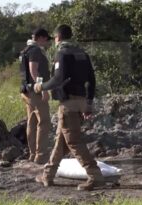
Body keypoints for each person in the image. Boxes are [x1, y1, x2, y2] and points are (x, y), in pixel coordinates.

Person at [33, 24, 104, 191]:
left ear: (57, 37)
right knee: (60, 141)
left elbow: (58, 79)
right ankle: (47, 175)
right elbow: (91, 80)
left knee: (73, 141)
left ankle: (96, 176)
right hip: (80, 101)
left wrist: (41, 87)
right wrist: (88, 102)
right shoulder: (82, 53)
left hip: (69, 104)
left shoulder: (62, 53)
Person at [19, 28, 52, 164]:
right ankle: (41, 155)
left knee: (32, 123)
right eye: (45, 39)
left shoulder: (25, 50)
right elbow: (33, 70)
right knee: (44, 122)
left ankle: (33, 155)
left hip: (26, 91)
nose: (46, 42)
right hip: (35, 92)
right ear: (40, 38)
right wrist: (42, 88)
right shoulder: (35, 51)